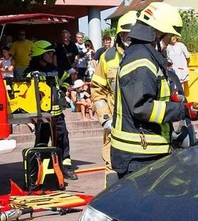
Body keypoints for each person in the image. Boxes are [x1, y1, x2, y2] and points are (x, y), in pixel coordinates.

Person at [112, 2, 198, 179]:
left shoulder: (141, 54)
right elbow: (141, 107)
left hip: (143, 152)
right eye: (168, 38)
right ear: (156, 34)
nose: (168, 44)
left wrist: (172, 99)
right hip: (139, 155)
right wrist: (182, 110)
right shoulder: (142, 59)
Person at [91, 10, 137, 186]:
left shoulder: (148, 55)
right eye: (127, 34)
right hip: (115, 127)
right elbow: (97, 89)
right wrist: (105, 118)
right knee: (113, 170)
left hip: (141, 127)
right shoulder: (108, 57)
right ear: (120, 34)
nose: (130, 38)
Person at [25, 40, 78, 180]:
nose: (51, 55)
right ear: (39, 54)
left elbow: (67, 78)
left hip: (57, 114)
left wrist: (63, 89)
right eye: (48, 53)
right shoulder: (30, 73)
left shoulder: (55, 70)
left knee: (62, 140)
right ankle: (37, 171)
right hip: (42, 114)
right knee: (41, 142)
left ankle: (64, 168)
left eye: (51, 53)